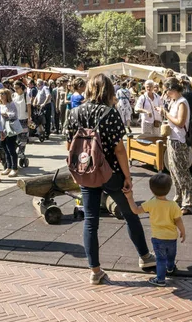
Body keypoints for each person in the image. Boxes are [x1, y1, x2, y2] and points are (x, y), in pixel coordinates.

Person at [66, 74, 156, 284]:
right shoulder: (110, 114)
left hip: (86, 171)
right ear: (108, 91)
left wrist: (77, 170)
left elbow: (69, 146)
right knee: (130, 214)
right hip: (111, 172)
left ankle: (95, 270)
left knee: (90, 222)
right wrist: (127, 176)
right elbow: (119, 149)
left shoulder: (74, 113)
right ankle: (144, 256)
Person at [124, 172, 186, 287]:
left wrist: (130, 197)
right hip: (172, 237)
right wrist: (183, 231)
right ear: (168, 189)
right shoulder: (173, 205)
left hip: (158, 238)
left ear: (152, 190)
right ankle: (171, 268)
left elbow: (136, 210)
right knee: (171, 255)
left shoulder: (151, 204)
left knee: (160, 259)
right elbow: (178, 220)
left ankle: (160, 279)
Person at [158, 77, 192, 214]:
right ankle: (178, 198)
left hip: (179, 140)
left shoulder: (182, 102)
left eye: (166, 90)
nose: (165, 93)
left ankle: (187, 202)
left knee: (182, 172)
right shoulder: (174, 101)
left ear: (172, 90)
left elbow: (180, 122)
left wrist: (166, 114)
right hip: (172, 139)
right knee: (174, 171)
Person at [0, 89, 21, 177]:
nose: (0, 95)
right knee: (5, 149)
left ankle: (14, 168)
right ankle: (8, 167)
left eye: (2, 94)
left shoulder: (11, 104)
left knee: (11, 149)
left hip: (10, 129)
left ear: (7, 95)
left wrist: (5, 113)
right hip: (1, 129)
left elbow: (14, 115)